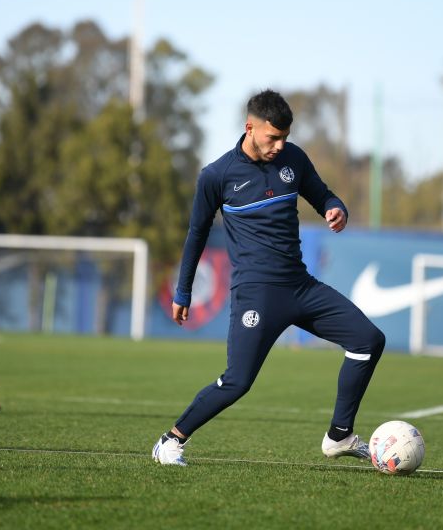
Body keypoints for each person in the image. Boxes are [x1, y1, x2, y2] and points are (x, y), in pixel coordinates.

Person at [152, 89, 385, 466]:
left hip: (301, 285)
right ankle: (170, 440)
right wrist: (183, 291)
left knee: (369, 340)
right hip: (256, 294)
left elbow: (321, 194)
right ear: (250, 128)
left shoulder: (293, 158)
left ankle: (339, 436)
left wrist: (335, 208)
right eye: (272, 137)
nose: (279, 145)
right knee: (238, 382)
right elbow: (196, 234)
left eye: (284, 138)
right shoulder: (216, 175)